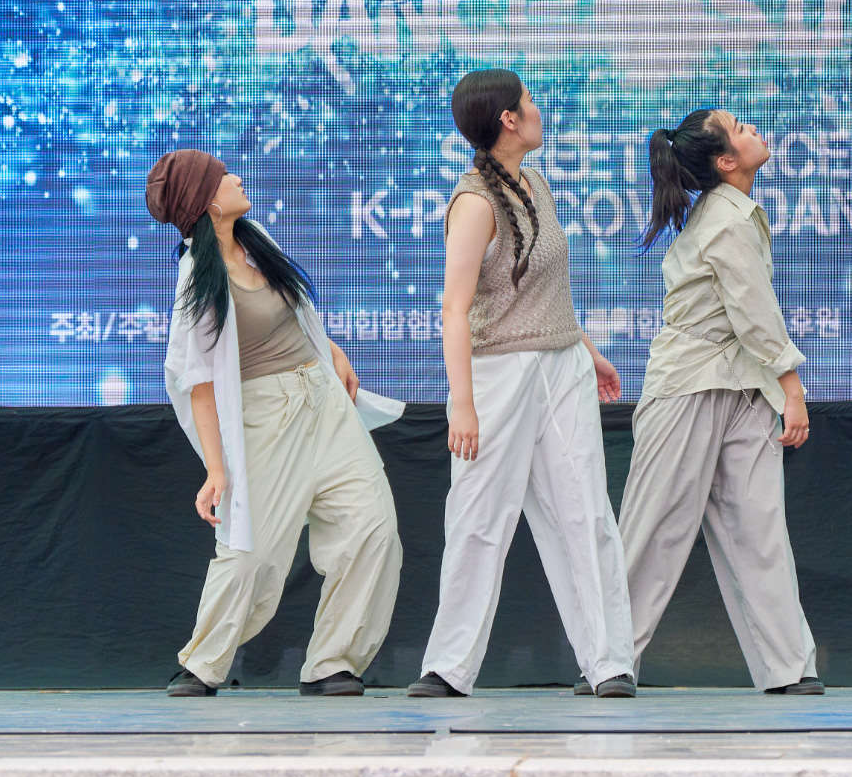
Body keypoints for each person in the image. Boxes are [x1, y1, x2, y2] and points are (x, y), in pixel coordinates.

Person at [407, 69, 636, 698]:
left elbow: (545, 290)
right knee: (479, 516)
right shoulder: (474, 202)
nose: (538, 109)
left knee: (585, 510)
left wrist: (588, 349)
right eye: (529, 101)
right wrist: (462, 404)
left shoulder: (536, 184)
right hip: (497, 373)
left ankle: (609, 662)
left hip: (561, 365)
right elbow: (454, 310)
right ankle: (449, 666)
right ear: (509, 119)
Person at [148, 148, 404, 697]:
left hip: (324, 404)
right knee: (251, 553)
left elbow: (293, 315)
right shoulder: (198, 277)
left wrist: (330, 350)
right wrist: (216, 469)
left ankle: (332, 663)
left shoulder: (255, 239)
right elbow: (197, 383)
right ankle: (203, 662)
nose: (236, 177)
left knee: (373, 527)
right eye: (223, 175)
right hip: (266, 416)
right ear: (207, 201)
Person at [615, 109, 824, 695]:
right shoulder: (727, 219)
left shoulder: (732, 212)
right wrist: (792, 389)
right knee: (654, 526)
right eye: (739, 127)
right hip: (690, 383)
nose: (754, 127)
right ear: (726, 161)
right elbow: (755, 313)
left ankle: (788, 667)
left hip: (741, 385)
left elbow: (751, 315)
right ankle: (608, 659)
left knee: (758, 527)